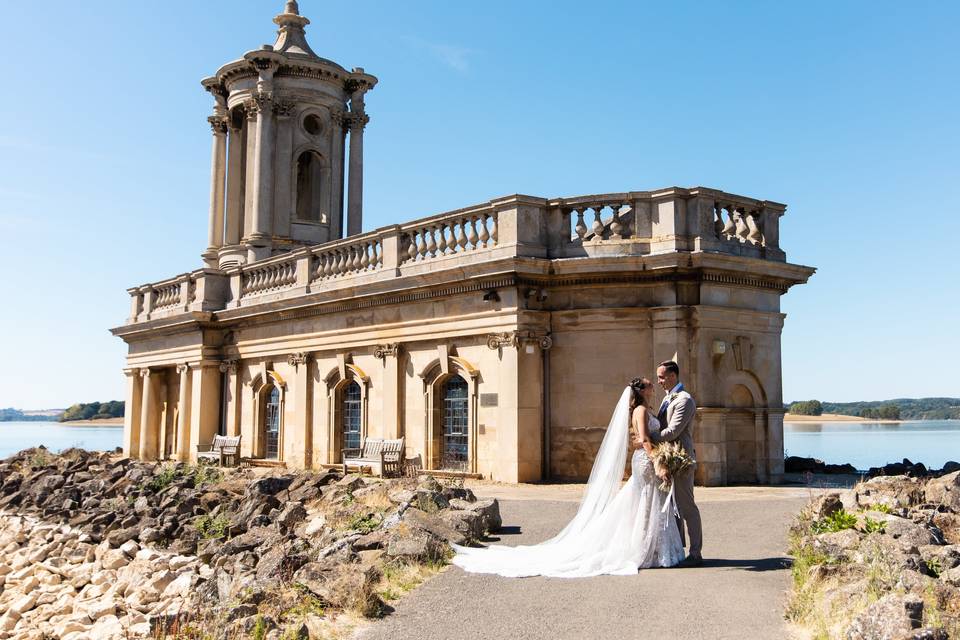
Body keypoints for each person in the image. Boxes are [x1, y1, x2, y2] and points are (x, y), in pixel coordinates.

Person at [451, 378, 684, 577]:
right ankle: (648, 549)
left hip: (645, 458)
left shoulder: (642, 410)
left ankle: (651, 548)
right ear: (641, 391)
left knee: (645, 502)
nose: (653, 387)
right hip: (647, 460)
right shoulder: (642, 411)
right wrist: (659, 461)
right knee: (648, 501)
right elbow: (643, 439)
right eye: (649, 385)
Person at [652, 360, 703, 567]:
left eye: (662, 377)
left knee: (686, 506)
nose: (659, 381)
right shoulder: (668, 398)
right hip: (668, 458)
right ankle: (678, 551)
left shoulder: (684, 400)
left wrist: (647, 437)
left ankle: (696, 553)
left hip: (681, 459)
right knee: (672, 506)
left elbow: (673, 431)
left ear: (673, 376)